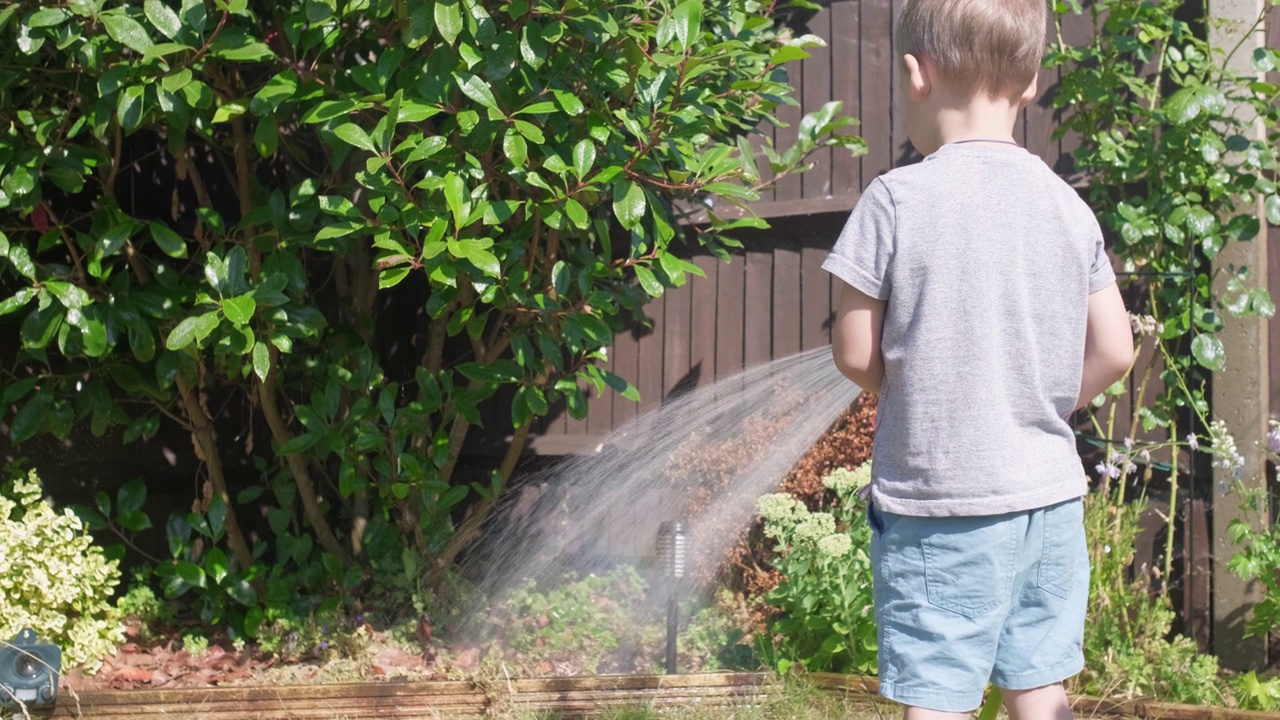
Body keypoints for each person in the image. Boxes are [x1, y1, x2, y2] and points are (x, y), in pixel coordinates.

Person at [823, 0, 1135, 718]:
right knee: (1038, 685)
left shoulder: (894, 200)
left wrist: (913, 382)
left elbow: (855, 353)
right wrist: (1045, 400)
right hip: (1049, 501)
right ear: (1029, 84)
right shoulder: (1066, 206)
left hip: (943, 506)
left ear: (916, 74)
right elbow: (1116, 349)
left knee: (937, 694)